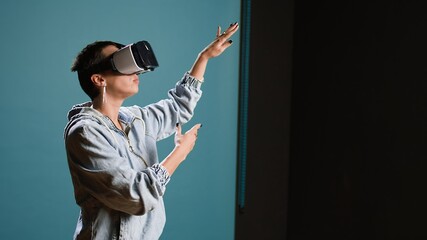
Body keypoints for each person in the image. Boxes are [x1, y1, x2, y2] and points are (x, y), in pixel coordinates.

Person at [63, 22, 239, 240]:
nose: (135, 71)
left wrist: (204, 58)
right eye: (121, 62)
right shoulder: (85, 133)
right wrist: (179, 154)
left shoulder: (134, 119)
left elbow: (178, 108)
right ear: (99, 79)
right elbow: (135, 196)